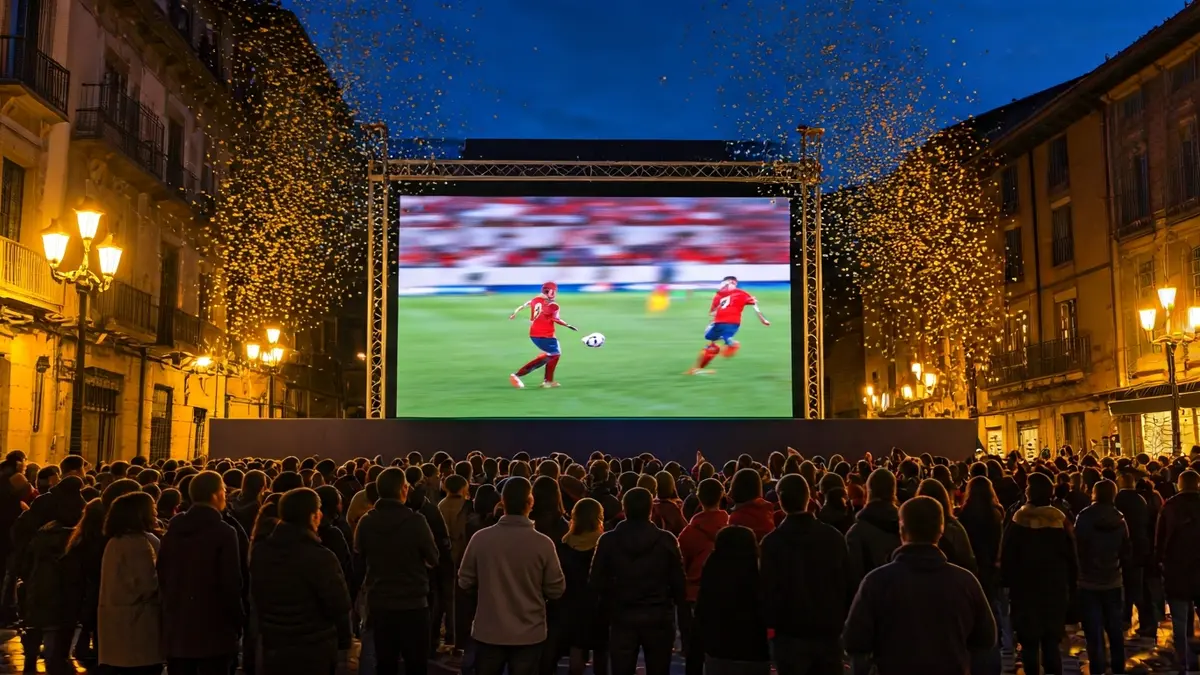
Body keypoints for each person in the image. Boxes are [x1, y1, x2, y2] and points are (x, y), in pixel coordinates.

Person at [843, 496, 995, 675]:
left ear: (902, 530)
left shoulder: (876, 582)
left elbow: (854, 641)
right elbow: (986, 638)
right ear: (941, 530)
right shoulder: (965, 582)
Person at [458, 476, 566, 675]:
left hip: (489, 630)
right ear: (530, 503)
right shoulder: (543, 544)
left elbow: (464, 581)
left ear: (502, 502)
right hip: (529, 633)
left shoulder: (481, 539)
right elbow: (556, 589)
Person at [250, 487, 352, 675]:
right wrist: (345, 644)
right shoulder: (321, 557)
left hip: (274, 645)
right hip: (313, 648)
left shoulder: (260, 551)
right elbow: (339, 605)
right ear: (313, 516)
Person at [589, 487, 686, 675]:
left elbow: (595, 583)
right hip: (658, 616)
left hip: (621, 615)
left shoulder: (608, 541)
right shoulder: (666, 540)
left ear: (624, 509)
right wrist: (684, 627)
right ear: (651, 510)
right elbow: (679, 586)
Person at [761, 475, 851, 675]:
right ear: (808, 497)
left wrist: (772, 627)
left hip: (789, 635)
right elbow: (847, 583)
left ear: (781, 501)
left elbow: (767, 591)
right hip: (828, 633)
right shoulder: (833, 538)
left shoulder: (772, 543)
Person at [157, 470, 244, 675]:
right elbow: (231, 582)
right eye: (223, 490)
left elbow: (162, 571)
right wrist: (237, 621)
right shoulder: (224, 532)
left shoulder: (174, 528)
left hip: (178, 626)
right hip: (214, 628)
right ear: (215, 495)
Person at [355, 467, 439, 675]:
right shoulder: (416, 521)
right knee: (416, 664)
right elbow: (434, 558)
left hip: (380, 602)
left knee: (385, 663)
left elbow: (359, 557)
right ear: (403, 489)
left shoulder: (366, 522)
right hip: (413, 603)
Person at [1000, 472, 1077, 675]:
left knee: (1029, 644)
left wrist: (1006, 582)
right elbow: (1072, 557)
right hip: (1055, 589)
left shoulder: (1019, 520)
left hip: (1025, 590)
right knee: (1052, 643)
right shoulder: (1059, 520)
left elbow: (1007, 555)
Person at [97, 492, 163, 675]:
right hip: (139, 627)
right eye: (153, 509)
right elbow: (148, 584)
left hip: (116, 624)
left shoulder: (115, 541)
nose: (156, 512)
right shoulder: (139, 544)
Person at [692, 526, 769, 675]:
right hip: (755, 650)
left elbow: (701, 616)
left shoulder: (713, 569)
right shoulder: (758, 571)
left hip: (718, 649)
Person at [1073, 478, 1130, 674]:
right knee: (1115, 629)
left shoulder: (1084, 517)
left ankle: (1097, 667)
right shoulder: (1119, 518)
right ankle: (1118, 666)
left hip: (1088, 580)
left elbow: (1077, 546)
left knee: (1093, 630)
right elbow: (1126, 549)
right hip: (1113, 578)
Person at [677, 478, 728, 675]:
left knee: (695, 651)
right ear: (722, 496)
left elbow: (682, 563)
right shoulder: (731, 526)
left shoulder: (689, 532)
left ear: (698, 498)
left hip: (695, 596)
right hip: (725, 593)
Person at [1156, 469, 1200, 670]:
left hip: (1177, 569)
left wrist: (1160, 562)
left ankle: (1184, 661)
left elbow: (1160, 538)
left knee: (1180, 621)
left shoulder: (1170, 506)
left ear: (1179, 484)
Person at [558, 498, 607, 675]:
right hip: (599, 604)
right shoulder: (604, 544)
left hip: (572, 604)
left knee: (576, 646)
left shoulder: (564, 544)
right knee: (602, 648)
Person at [686, 275, 770, 375]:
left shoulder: (719, 295)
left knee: (710, 337)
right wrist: (763, 319)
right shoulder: (741, 293)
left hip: (720, 322)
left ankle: (726, 343)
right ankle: (728, 342)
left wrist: (718, 312)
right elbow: (754, 304)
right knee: (717, 339)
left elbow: (712, 312)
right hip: (734, 323)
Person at [508, 281, 579, 388]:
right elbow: (556, 319)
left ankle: (548, 381)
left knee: (552, 355)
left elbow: (523, 306)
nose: (555, 294)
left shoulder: (535, 300)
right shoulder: (553, 305)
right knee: (553, 354)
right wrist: (568, 325)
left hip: (535, 334)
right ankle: (518, 375)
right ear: (551, 291)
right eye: (554, 291)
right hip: (545, 334)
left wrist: (514, 314)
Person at [845, 468, 901, 580]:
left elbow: (852, 578)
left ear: (868, 491)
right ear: (893, 492)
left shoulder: (856, 533)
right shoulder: (907, 529)